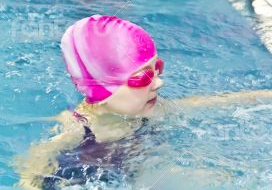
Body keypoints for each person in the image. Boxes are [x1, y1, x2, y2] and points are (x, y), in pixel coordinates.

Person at [14, 15, 272, 189]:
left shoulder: (151, 110)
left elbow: (207, 103)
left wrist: (263, 97)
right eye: (143, 77)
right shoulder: (75, 128)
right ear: (103, 88)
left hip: (139, 170)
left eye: (157, 68)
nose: (158, 82)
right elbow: (31, 169)